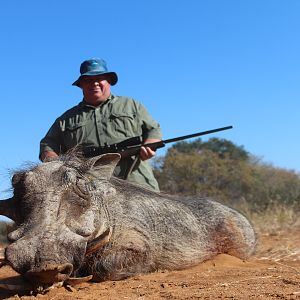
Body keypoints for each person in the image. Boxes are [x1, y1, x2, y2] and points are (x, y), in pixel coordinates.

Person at [39, 58, 162, 191]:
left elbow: (153, 130)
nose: (95, 83)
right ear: (81, 85)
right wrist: (57, 165)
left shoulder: (131, 105)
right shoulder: (65, 119)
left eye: (100, 78)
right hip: (89, 190)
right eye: (88, 80)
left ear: (109, 81)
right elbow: (47, 145)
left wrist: (150, 145)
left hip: (138, 185)